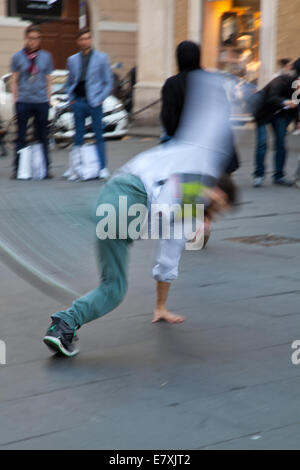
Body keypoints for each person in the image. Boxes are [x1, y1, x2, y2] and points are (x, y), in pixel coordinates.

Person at [43, 69, 238, 357]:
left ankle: (62, 327)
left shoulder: (182, 160)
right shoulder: (196, 185)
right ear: (218, 193)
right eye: (218, 210)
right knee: (115, 287)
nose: (213, 219)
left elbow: (167, 251)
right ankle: (65, 322)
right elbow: (168, 249)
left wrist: (160, 307)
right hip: (132, 198)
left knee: (113, 284)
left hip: (114, 191)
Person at [66, 27, 113, 180]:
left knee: (99, 135)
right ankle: (76, 168)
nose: (85, 41)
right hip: (78, 101)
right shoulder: (72, 60)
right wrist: (71, 98)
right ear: (78, 41)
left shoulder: (101, 58)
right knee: (78, 136)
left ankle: (102, 167)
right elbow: (69, 82)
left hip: (95, 102)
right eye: (82, 39)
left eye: (87, 38)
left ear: (91, 39)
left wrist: (101, 98)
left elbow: (108, 82)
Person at [10, 24, 54, 179]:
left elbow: (49, 80)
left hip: (41, 101)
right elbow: (14, 80)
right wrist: (15, 99)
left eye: (36, 38)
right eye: (30, 38)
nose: (33, 42)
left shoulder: (46, 57)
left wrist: (48, 98)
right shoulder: (17, 57)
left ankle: (45, 168)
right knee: (21, 135)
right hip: (24, 101)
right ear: (26, 38)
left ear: (40, 40)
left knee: (42, 135)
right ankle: (18, 168)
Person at [253, 61, 300, 187]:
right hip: (263, 112)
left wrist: (297, 121)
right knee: (262, 143)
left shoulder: (297, 91)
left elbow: (297, 106)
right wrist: (286, 102)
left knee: (281, 143)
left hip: (280, 115)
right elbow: (272, 97)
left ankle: (279, 175)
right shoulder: (280, 81)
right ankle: (259, 175)